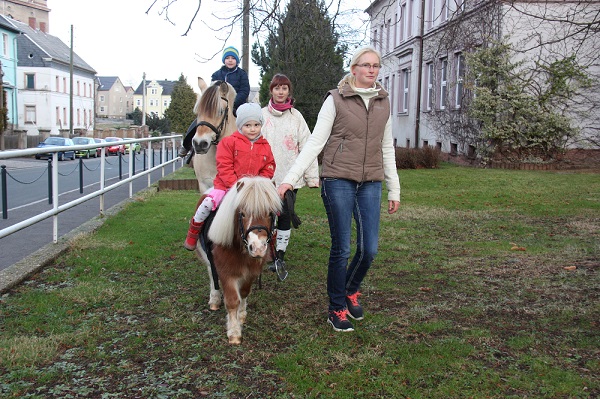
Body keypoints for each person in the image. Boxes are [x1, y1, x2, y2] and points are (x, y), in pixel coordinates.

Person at [276, 46, 401, 332]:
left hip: (370, 181)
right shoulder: (336, 99)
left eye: (376, 66)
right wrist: (290, 178)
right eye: (366, 65)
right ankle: (336, 308)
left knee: (369, 249)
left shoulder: (384, 102)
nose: (372, 70)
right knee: (342, 248)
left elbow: (386, 148)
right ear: (354, 68)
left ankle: (350, 288)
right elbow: (315, 143)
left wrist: (394, 188)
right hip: (338, 179)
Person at [184, 103, 275, 251]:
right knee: (206, 204)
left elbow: (269, 166)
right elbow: (224, 166)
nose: (252, 129)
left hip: (253, 190)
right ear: (240, 126)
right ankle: (193, 233)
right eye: (248, 125)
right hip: (226, 186)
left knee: (273, 210)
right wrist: (235, 186)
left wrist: (260, 183)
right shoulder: (228, 143)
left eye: (256, 125)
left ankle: (271, 241)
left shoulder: (265, 145)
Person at [261, 74, 319, 280]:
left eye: (284, 88)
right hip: (265, 178)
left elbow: (307, 146)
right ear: (271, 91)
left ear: (289, 92)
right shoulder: (261, 116)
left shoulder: (296, 117)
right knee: (265, 217)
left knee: (285, 216)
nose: (280, 92)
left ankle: (280, 256)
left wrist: (312, 177)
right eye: (277, 88)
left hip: (289, 177)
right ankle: (264, 251)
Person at [211, 45, 251, 116]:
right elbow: (213, 91)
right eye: (227, 58)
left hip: (238, 107)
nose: (230, 60)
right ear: (224, 60)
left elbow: (244, 91)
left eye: (233, 58)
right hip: (219, 107)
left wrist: (233, 103)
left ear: (237, 60)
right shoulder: (216, 75)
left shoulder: (242, 74)